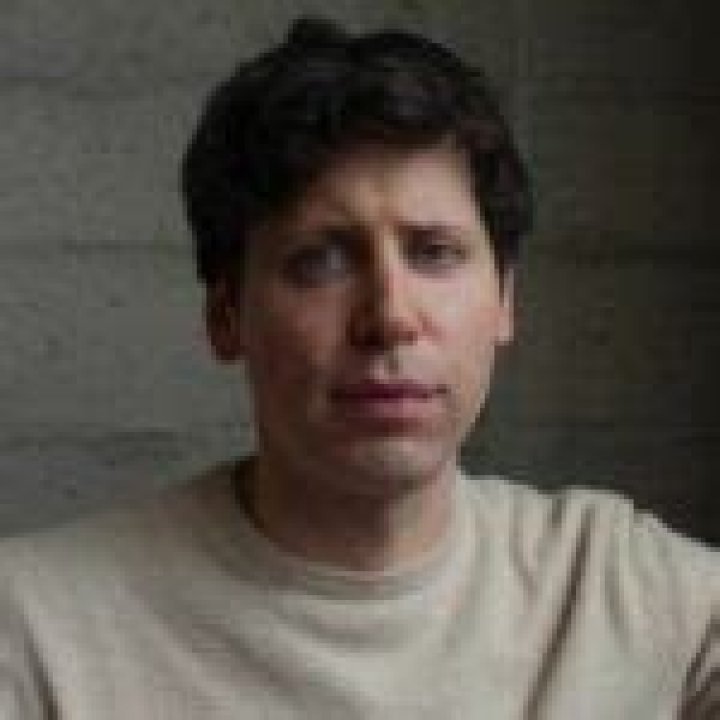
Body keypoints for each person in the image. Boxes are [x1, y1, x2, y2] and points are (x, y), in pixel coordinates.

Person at [0, 16, 717, 719]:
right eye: (320, 261)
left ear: (503, 300)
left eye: (434, 253)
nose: (391, 316)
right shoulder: (35, 636)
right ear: (226, 314)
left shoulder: (631, 593)